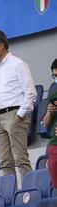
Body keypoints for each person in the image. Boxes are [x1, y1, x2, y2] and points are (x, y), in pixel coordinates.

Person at [0, 30, 37, 181]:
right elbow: (1, 94)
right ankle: (10, 196)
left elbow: (31, 93)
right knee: (5, 162)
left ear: (0, 46)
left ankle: (29, 192)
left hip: (15, 113)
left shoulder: (18, 64)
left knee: (21, 159)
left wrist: (19, 116)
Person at [43, 58, 57, 188]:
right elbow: (46, 125)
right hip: (55, 146)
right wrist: (49, 112)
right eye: (55, 76)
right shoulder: (53, 97)